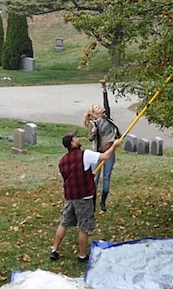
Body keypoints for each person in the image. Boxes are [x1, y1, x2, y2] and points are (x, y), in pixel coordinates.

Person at [50, 131, 122, 263]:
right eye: (75, 138)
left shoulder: (63, 161)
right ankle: (82, 255)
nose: (78, 139)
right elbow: (105, 156)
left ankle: (54, 250)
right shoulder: (85, 154)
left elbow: (72, 177)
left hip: (69, 197)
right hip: (84, 197)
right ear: (72, 143)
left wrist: (89, 176)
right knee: (84, 227)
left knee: (64, 222)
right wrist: (115, 145)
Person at [82, 80, 121, 212]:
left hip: (110, 152)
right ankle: (92, 204)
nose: (99, 107)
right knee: (95, 178)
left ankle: (103, 202)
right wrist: (93, 133)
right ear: (93, 112)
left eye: (99, 106)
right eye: (96, 107)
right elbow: (91, 138)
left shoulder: (107, 118)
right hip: (98, 154)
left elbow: (106, 103)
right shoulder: (94, 123)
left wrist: (104, 88)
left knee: (106, 177)